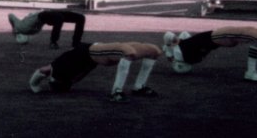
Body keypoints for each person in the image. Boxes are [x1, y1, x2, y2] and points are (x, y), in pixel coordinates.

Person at [28, 41, 161, 102]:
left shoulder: (59, 68)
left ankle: (117, 92)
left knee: (127, 51)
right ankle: (137, 87)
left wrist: (34, 85)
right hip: (97, 55)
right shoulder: (71, 78)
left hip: (92, 51)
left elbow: (43, 70)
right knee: (153, 50)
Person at [162, 27, 257, 82]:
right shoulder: (182, 53)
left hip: (215, 35)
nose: (175, 38)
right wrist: (169, 51)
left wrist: (168, 50)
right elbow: (169, 38)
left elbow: (168, 36)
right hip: (216, 36)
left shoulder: (181, 47)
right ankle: (251, 72)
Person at [7, 10, 86, 49]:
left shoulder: (25, 26)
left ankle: (76, 42)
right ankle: (53, 42)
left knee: (81, 18)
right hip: (44, 16)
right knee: (59, 17)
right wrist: (14, 29)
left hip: (47, 14)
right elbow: (10, 15)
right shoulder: (23, 28)